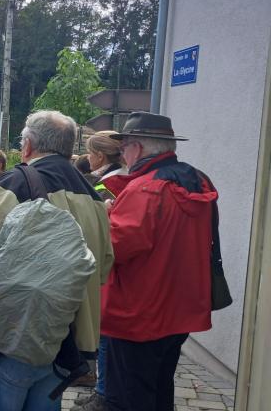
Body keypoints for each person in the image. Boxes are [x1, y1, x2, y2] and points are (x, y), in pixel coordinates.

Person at [0, 110, 114, 411]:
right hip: (64, 342)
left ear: (27, 146)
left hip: (9, 338)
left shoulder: (17, 183)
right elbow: (102, 269)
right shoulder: (95, 197)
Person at [98, 112, 215, 411]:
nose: (122, 154)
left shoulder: (144, 189)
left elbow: (113, 249)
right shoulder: (198, 181)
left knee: (126, 398)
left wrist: (107, 215)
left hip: (137, 314)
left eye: (123, 147)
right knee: (160, 390)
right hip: (178, 311)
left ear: (135, 147)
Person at [71, 131, 126, 410]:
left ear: (100, 156)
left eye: (90, 152)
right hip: (117, 265)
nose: (87, 158)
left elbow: (102, 221)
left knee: (104, 330)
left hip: (107, 264)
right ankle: (103, 388)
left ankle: (103, 391)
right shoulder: (125, 175)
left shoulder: (107, 183)